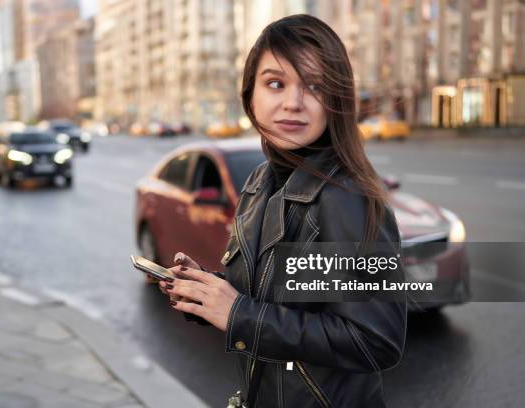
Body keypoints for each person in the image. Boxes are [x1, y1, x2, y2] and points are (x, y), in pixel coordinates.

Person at [157, 14, 407, 407]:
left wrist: (238, 314)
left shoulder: (347, 196)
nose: (293, 103)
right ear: (250, 95)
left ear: (336, 101)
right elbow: (273, 295)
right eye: (276, 83)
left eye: (315, 86)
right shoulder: (262, 181)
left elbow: (374, 340)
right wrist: (207, 293)